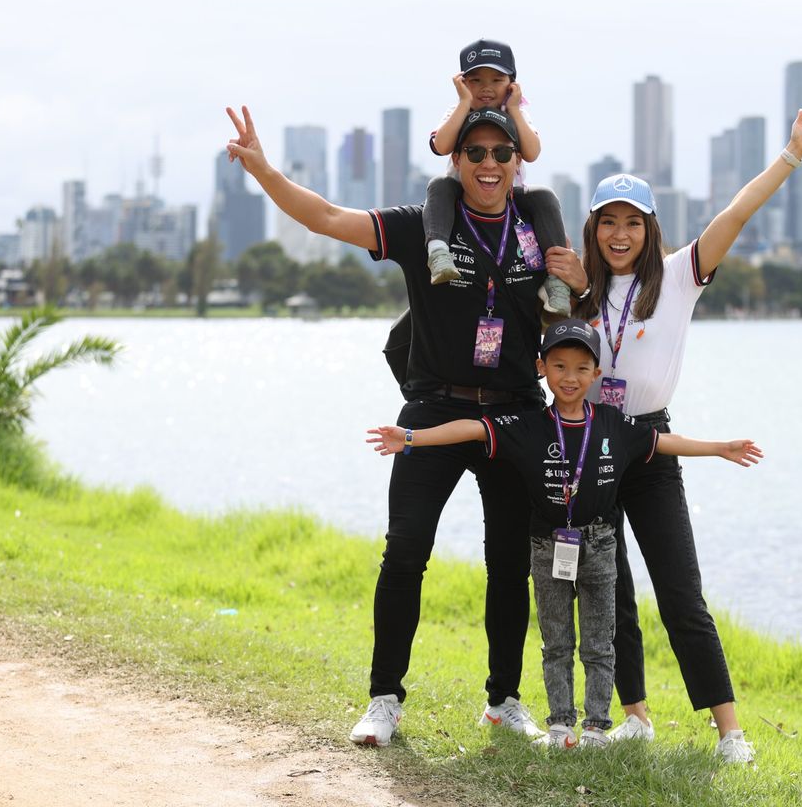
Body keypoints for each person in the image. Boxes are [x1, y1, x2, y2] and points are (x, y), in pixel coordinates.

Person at [224, 102, 586, 747]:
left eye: (501, 153)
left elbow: (583, 310)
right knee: (406, 551)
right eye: (474, 153)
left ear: (515, 163)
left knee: (507, 563)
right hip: (435, 405)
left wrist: (578, 282)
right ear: (457, 161)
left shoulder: (538, 233)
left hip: (514, 411)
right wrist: (263, 171)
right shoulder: (425, 226)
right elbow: (329, 218)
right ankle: (384, 698)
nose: (489, 164)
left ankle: (505, 700)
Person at [571, 101, 802, 763]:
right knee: (607, 593)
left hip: (654, 448)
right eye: (608, 222)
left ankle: (731, 733)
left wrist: (793, 154)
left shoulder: (682, 275)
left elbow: (736, 215)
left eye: (631, 223)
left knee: (681, 595)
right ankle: (633, 715)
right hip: (592, 449)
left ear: (648, 228)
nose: (619, 233)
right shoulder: (578, 288)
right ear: (594, 228)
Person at [366, 320, 763, 750]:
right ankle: (560, 726)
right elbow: (471, 429)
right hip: (547, 550)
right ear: (541, 368)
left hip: (599, 548)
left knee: (599, 641)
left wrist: (720, 448)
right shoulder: (530, 423)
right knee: (555, 641)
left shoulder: (612, 422)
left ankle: (595, 727)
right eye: (559, 366)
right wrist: (412, 437)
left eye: (580, 368)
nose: (569, 377)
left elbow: (665, 442)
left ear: (596, 374)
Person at [424, 39, 573, 314]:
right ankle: (438, 253)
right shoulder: (457, 110)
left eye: (497, 78)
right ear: (463, 82)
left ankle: (557, 282)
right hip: (461, 193)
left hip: (507, 196)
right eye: (476, 80)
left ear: (512, 83)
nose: (487, 87)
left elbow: (532, 152)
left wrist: (514, 110)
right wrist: (463, 103)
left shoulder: (517, 113)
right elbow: (441, 146)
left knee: (544, 197)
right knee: (438, 187)